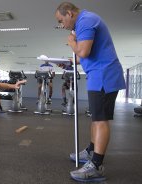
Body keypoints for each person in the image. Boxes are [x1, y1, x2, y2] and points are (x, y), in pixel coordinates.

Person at [55, 2, 126, 182]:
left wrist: (71, 41)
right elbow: (82, 56)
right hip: (98, 74)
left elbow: (84, 51)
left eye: (61, 20)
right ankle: (91, 151)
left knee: (100, 120)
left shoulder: (86, 20)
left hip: (104, 75)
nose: (62, 25)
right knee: (96, 118)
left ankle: (96, 165)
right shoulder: (84, 22)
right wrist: (68, 63)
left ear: (69, 13)